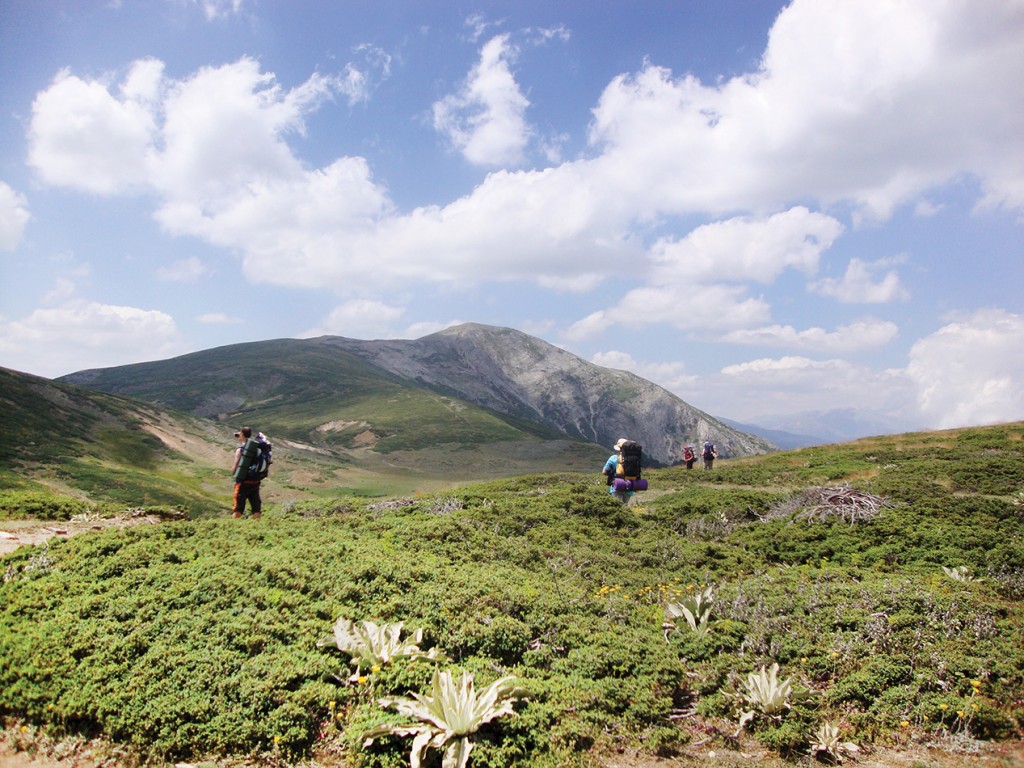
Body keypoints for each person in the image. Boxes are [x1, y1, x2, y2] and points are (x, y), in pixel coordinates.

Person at [231, 426, 263, 519]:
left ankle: (233, 528)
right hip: (254, 482)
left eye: (239, 434)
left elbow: (236, 465)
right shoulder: (256, 449)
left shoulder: (240, 450)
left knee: (238, 509)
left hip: (242, 483)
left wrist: (234, 474)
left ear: (242, 434)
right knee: (256, 509)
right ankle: (257, 528)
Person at [602, 438, 634, 504]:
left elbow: (604, 472)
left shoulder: (613, 458)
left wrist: (611, 474)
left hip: (616, 486)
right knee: (624, 507)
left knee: (617, 507)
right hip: (629, 487)